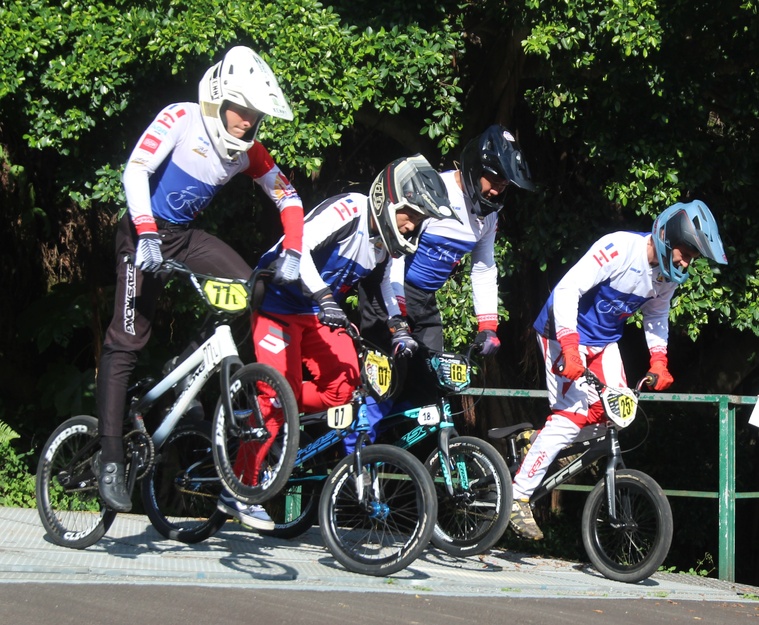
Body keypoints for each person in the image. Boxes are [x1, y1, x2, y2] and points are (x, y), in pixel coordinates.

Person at [96, 46, 305, 517]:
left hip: (184, 238)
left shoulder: (247, 151)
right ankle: (109, 455)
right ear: (217, 99)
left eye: (255, 115)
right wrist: (146, 233)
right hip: (142, 233)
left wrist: (293, 250)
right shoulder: (183, 118)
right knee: (126, 341)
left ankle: (187, 363)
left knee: (253, 288)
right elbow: (135, 170)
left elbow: (288, 197)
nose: (247, 122)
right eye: (240, 110)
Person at [509, 200, 728, 540]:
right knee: (570, 417)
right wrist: (569, 346)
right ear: (666, 238)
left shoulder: (666, 276)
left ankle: (538, 441)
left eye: (692, 258)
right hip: (561, 333)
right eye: (685, 253)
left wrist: (659, 360)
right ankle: (517, 496)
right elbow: (567, 289)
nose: (686, 263)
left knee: (617, 413)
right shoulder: (619, 248)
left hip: (603, 341)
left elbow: (656, 316)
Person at [246, 154, 454, 472]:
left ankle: (276, 404)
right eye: (410, 214)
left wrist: (398, 326)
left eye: (419, 219)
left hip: (317, 311)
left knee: (344, 389)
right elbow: (297, 247)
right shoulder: (350, 209)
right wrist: (324, 296)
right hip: (277, 302)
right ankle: (241, 482)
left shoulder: (387, 240)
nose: (412, 225)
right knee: (275, 395)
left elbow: (387, 283)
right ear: (389, 200)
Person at [358, 124, 535, 414]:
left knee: (430, 389)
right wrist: (398, 315)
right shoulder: (435, 192)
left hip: (425, 299)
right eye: (493, 181)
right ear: (474, 168)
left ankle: (402, 445)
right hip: (387, 291)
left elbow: (483, 268)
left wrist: (488, 326)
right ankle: (360, 442)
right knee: (384, 385)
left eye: (503, 186)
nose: (495, 191)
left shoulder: (489, 216)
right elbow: (395, 254)